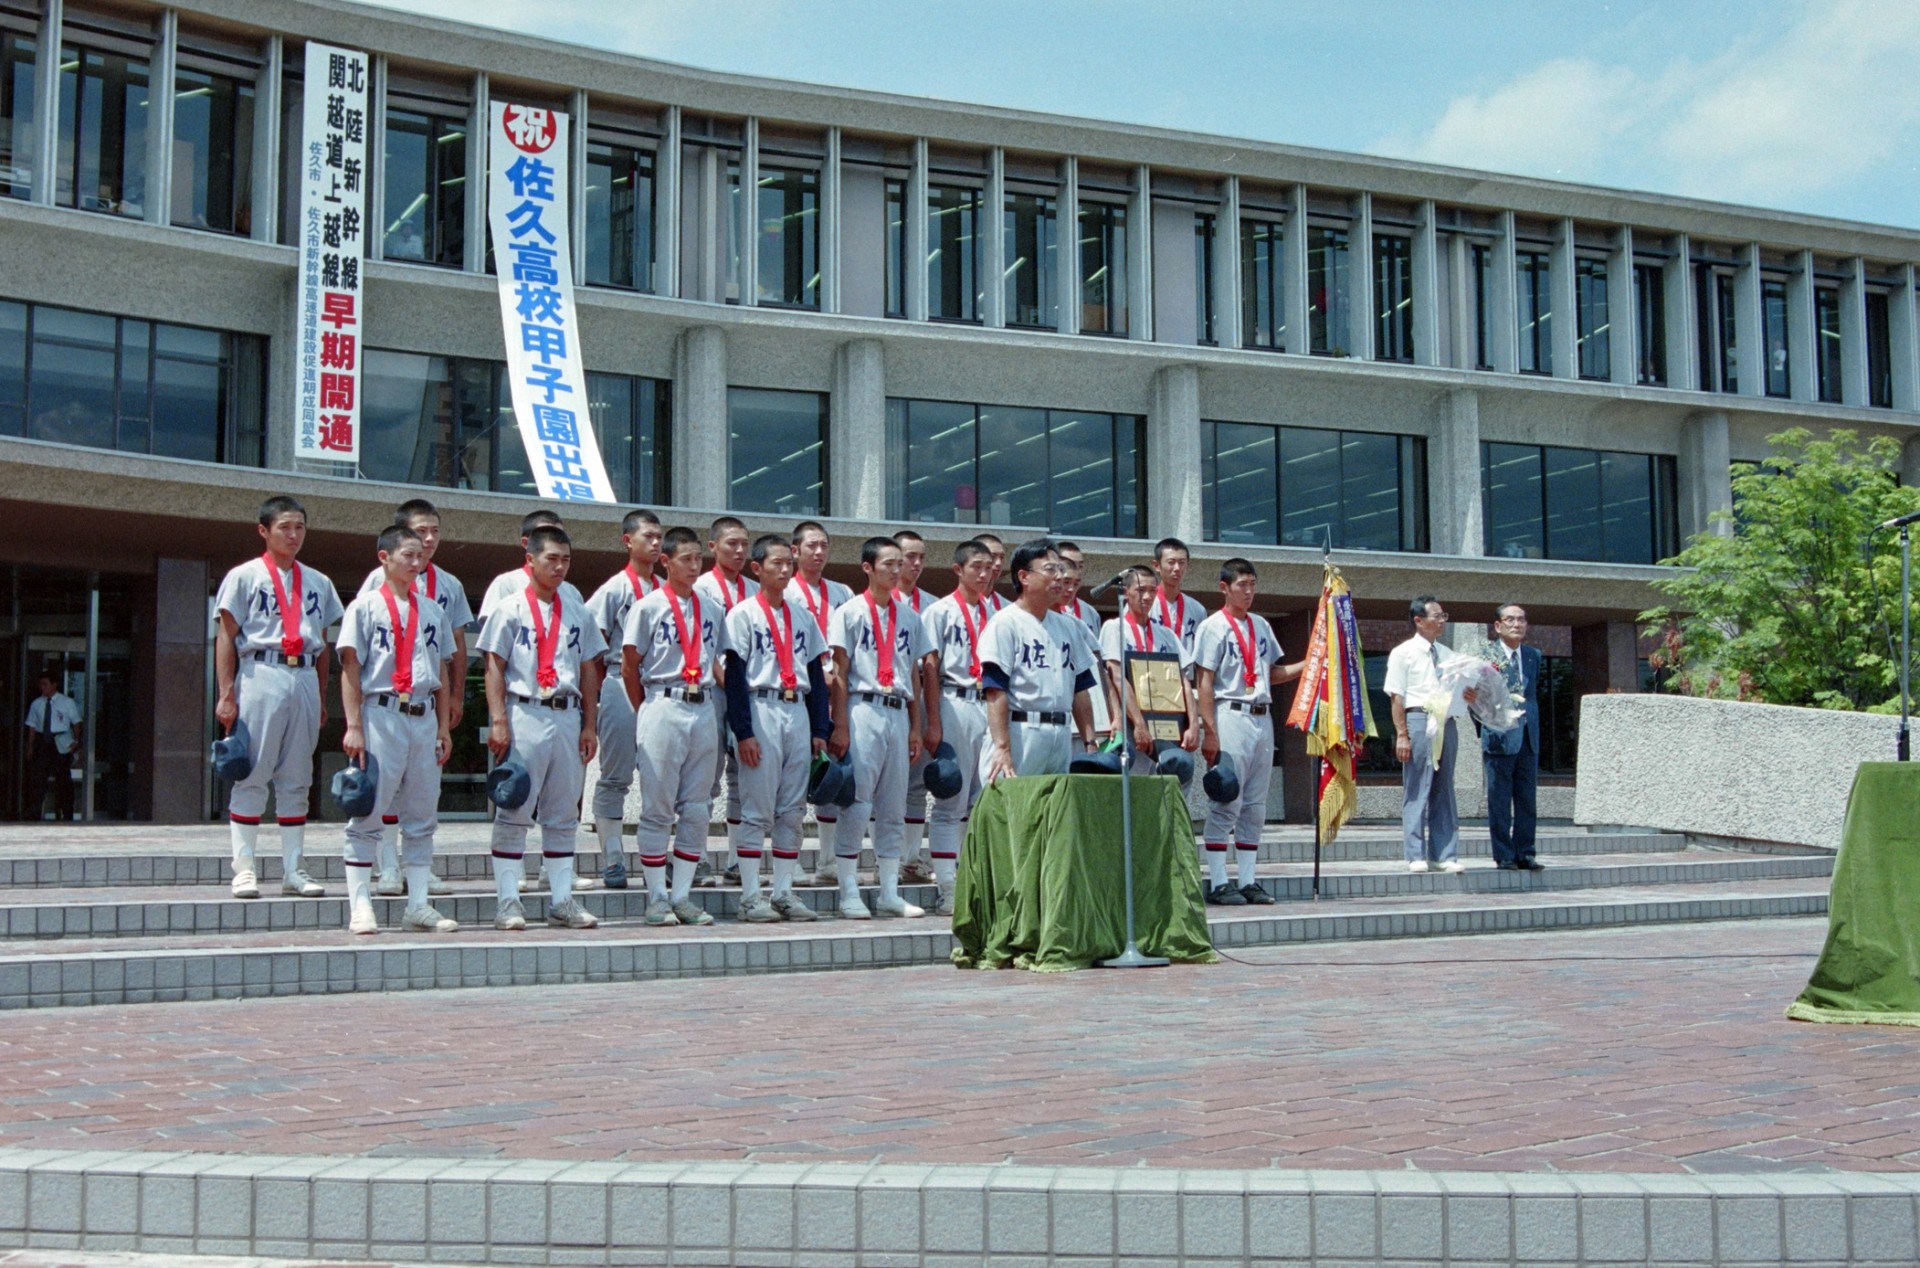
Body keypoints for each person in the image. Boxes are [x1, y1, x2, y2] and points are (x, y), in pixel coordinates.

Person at [214, 495, 343, 900]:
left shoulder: (319, 582)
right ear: (264, 530)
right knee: (252, 771)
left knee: (297, 777)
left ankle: (294, 869)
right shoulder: (244, 575)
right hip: (262, 669)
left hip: (303, 671)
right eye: (285, 527)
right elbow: (226, 637)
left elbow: (322, 644)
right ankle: (245, 868)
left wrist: (321, 698)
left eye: (300, 527)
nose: (293, 535)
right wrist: (226, 694)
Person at [477, 524, 605, 930]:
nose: (560, 567)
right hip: (525, 711)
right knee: (514, 807)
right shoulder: (509, 607)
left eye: (566, 559)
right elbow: (494, 665)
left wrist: (590, 724)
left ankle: (562, 900)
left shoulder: (577, 610)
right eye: (551, 558)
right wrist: (498, 720)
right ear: (529, 559)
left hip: (567, 714)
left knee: (563, 811)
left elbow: (588, 669)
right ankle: (508, 901)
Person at [336, 523, 457, 935]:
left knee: (422, 813)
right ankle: (360, 904)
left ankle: (418, 904)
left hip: (422, 713)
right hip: (382, 710)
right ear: (384, 558)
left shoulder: (433, 610)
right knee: (369, 809)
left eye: (420, 555)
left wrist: (443, 726)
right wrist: (353, 725)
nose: (416, 561)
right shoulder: (365, 606)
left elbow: (440, 669)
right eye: (407, 554)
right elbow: (351, 667)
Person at [354, 498, 470, 899]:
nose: (430, 539)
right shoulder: (376, 582)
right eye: (421, 531)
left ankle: (420, 870)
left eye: (436, 531)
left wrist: (453, 697)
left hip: (425, 702)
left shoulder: (448, 586)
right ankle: (387, 866)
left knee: (421, 793)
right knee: (385, 788)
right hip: (386, 703)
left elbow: (454, 647)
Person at [724, 534, 833, 921]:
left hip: (796, 709)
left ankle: (783, 891)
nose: (785, 569)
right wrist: (743, 731)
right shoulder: (743, 614)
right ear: (757, 568)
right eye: (777, 563)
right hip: (761, 705)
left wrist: (820, 725)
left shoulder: (802, 615)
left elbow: (817, 676)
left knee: (792, 808)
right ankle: (751, 895)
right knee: (757, 807)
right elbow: (735, 676)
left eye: (789, 562)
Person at [621, 526, 725, 927]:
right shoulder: (647, 607)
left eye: (699, 558)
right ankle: (656, 896)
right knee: (658, 805)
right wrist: (645, 708)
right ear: (665, 562)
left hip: (702, 706)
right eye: (686, 558)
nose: (695, 565)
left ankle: (682, 895)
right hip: (663, 701)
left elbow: (716, 659)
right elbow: (630, 665)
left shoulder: (712, 608)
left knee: (697, 807)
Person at [826, 536, 931, 919]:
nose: (896, 569)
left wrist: (916, 727)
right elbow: (839, 671)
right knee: (857, 802)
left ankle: (889, 890)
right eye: (888, 563)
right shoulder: (850, 612)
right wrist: (839, 724)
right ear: (867, 567)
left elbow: (916, 676)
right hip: (862, 706)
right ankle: (849, 888)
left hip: (897, 709)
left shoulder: (910, 616)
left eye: (899, 563)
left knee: (893, 804)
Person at [1193, 559, 1304, 905]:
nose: (1248, 591)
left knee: (1256, 804)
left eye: (1253, 584)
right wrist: (1209, 730)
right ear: (1224, 587)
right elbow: (1205, 682)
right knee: (1227, 797)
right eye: (1241, 584)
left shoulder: (1260, 625)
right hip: (1231, 712)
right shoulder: (1213, 627)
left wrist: (1310, 666)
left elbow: (1272, 672)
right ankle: (1219, 879)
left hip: (1261, 713)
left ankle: (1248, 879)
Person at [583, 508, 664, 889]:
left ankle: (655, 855)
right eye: (647, 536)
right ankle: (612, 856)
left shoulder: (666, 589)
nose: (655, 542)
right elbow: (591, 643)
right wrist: (605, 691)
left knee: (660, 775)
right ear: (627, 541)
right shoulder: (616, 587)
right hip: (619, 680)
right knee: (615, 774)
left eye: (659, 536)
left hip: (659, 687)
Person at [917, 539, 998, 913]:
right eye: (976, 567)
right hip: (955, 699)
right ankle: (947, 886)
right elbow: (930, 667)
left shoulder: (996, 611)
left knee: (984, 799)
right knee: (951, 797)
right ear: (958, 570)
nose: (984, 574)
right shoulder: (940, 611)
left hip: (990, 703)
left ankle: (975, 879)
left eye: (989, 567)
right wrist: (933, 720)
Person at [980, 539, 1098, 782]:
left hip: (1062, 732)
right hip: (1022, 730)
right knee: (1012, 813)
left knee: (1052, 816)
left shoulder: (1070, 626)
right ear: (1024, 577)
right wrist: (1002, 746)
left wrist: (1090, 741)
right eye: (1049, 569)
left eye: (1060, 569)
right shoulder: (1005, 623)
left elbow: (1080, 687)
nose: (1058, 577)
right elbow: (994, 690)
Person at [695, 515, 759, 884]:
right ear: (713, 546)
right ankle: (697, 856)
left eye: (744, 544)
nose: (738, 550)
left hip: (748, 695)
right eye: (731, 543)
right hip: (711, 692)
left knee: (743, 776)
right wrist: (729, 684)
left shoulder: (754, 589)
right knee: (706, 779)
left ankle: (736, 859)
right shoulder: (702, 587)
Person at [1385, 594, 1470, 874]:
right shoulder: (1403, 653)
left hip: (1447, 720)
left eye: (1444, 616)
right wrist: (1402, 734)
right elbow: (1397, 697)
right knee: (1417, 785)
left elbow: (1461, 690)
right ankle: (1415, 853)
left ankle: (1444, 853)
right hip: (1418, 717)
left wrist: (1471, 691)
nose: (1442, 621)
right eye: (1437, 616)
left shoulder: (1448, 655)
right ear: (1419, 620)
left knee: (1444, 788)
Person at [793, 520, 853, 884]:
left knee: (831, 773)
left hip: (835, 694)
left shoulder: (843, 592)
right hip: (799, 691)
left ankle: (828, 859)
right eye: (811, 546)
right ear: (795, 550)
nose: (818, 553)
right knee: (795, 779)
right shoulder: (789, 592)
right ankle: (793, 857)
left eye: (824, 546)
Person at [1100, 565, 1199, 775]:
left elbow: (1184, 682)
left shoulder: (1166, 635)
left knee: (1167, 789)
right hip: (1132, 727)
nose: (1147, 596)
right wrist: (1139, 723)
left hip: (1167, 727)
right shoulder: (1114, 628)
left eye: (1152, 590)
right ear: (1126, 593)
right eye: (1140, 590)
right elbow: (1116, 677)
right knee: (1135, 792)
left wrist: (1193, 724)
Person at [893, 528, 940, 883]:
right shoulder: (878, 602)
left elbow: (931, 663)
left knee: (916, 782)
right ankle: (889, 855)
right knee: (884, 783)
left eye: (922, 557)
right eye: (910, 556)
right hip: (888, 697)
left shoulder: (933, 605)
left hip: (924, 695)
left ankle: (910, 856)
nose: (917, 563)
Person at [1484, 602, 1545, 872]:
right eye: (1510, 620)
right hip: (1499, 736)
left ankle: (1526, 852)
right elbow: (1477, 699)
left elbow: (1531, 695)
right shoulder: (1486, 656)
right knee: (1499, 799)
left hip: (1528, 736)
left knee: (1526, 798)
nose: (1517, 624)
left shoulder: (1534, 655)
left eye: (1521, 620)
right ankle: (1504, 854)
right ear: (1498, 626)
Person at [22, 671, 80, 821]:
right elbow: (32, 727)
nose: (42, 688)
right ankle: (35, 812)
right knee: (38, 779)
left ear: (54, 685)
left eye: (45, 684)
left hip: (60, 740)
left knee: (63, 780)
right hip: (43, 742)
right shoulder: (37, 703)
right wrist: (30, 747)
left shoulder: (67, 702)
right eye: (41, 685)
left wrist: (76, 741)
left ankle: (66, 813)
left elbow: (76, 723)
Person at [1149, 537, 1208, 651]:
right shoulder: (1144, 603)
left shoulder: (1198, 610)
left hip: (1185, 668)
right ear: (1156, 565)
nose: (1177, 568)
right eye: (1171, 562)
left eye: (1182, 563)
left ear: (1188, 566)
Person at [970, 532, 1011, 611]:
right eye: (993, 556)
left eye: (1002, 557)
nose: (998, 563)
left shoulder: (1008, 608)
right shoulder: (950, 607)